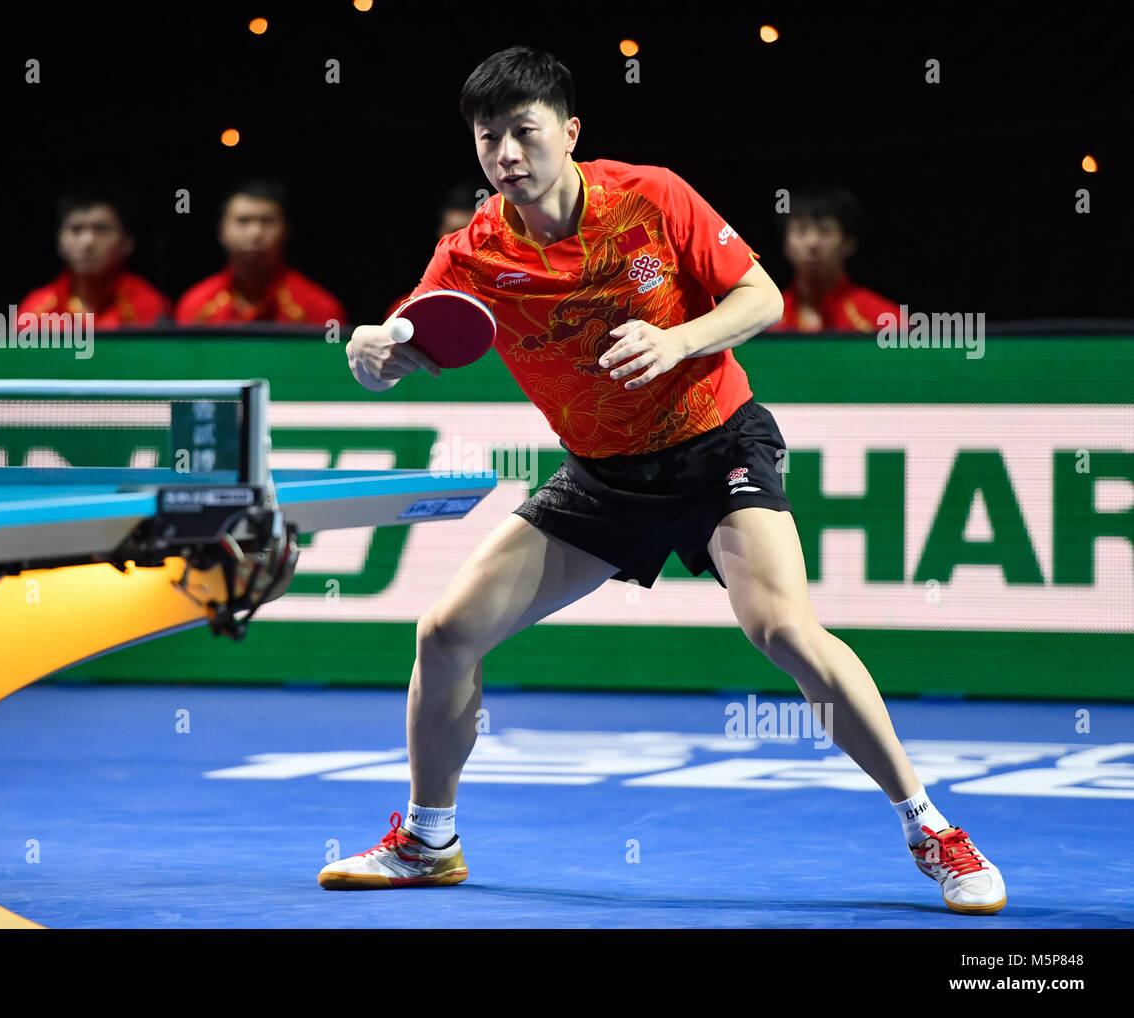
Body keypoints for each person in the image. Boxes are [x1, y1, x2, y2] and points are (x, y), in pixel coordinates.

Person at [326, 46, 1006, 915]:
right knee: (445, 633)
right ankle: (429, 841)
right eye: (487, 138)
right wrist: (371, 352)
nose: (505, 155)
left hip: (714, 447)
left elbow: (759, 297)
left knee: (784, 631)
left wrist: (681, 340)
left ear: (570, 132)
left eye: (524, 133)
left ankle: (930, 830)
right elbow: (411, 336)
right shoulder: (473, 254)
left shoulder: (651, 196)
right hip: (603, 478)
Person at [175, 179, 345, 326]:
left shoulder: (320, 309)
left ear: (287, 230)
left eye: (267, 221)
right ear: (221, 230)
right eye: (243, 221)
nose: (255, 232)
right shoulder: (195, 305)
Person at [18, 192, 170, 327]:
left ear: (127, 242)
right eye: (76, 229)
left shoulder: (151, 307)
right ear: (59, 241)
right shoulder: (35, 312)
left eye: (101, 229)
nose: (88, 242)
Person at [767, 186, 904, 332]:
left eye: (825, 230)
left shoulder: (887, 321)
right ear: (785, 244)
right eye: (801, 230)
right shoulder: (764, 321)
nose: (812, 242)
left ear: (849, 243)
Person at [384, 180, 482, 321]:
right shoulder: (408, 311)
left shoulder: (512, 301)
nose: (464, 243)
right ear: (440, 234)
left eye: (472, 232)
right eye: (455, 232)